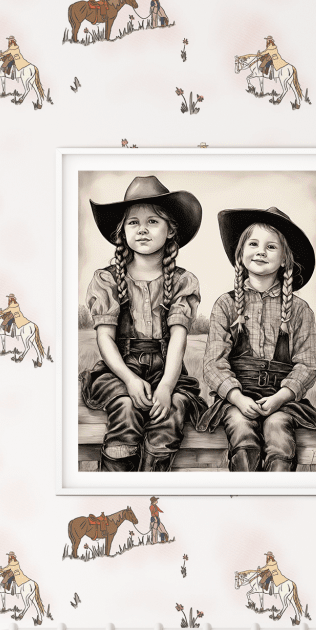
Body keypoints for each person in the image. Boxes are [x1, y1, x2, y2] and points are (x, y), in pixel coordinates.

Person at [83, 175, 204, 473]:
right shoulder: (107, 279)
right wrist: (129, 379)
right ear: (122, 232)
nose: (142, 230)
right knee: (125, 408)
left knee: (171, 409)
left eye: (153, 222)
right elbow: (105, 340)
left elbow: (178, 340)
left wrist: (165, 385)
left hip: (167, 371)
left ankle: (151, 482)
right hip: (119, 370)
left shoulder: (183, 281)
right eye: (133, 223)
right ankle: (117, 487)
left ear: (170, 230)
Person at [197, 205, 316, 474]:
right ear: (240, 256)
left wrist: (280, 397)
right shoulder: (226, 304)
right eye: (253, 244)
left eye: (271, 247)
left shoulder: (300, 310)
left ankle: (276, 497)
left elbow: (307, 364)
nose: (261, 251)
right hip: (237, 400)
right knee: (241, 429)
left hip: (282, 401)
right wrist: (238, 398)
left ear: (286, 259)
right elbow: (213, 363)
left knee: (277, 429)